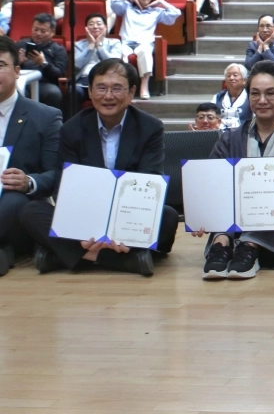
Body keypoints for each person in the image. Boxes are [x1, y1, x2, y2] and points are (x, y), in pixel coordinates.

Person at [22, 59, 177, 276]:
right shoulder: (71, 129)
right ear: (91, 91)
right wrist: (87, 230)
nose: (108, 96)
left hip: (128, 214)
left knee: (167, 216)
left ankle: (61, 255)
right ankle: (118, 259)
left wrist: (118, 229)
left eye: (116, 88)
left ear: (131, 92)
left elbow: (149, 180)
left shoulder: (150, 127)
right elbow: (65, 186)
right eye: (101, 88)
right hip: (84, 215)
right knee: (31, 211)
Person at [196, 61, 274, 280]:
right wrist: (203, 213)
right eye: (255, 94)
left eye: (270, 93)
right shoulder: (231, 137)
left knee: (272, 204)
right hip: (235, 215)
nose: (262, 100)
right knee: (226, 199)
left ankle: (249, 247)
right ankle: (221, 243)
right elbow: (213, 180)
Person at [0, 35, 62, 276]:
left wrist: (29, 182)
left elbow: (55, 174)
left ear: (17, 71)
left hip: (18, 203)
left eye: (0, 65)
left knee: (14, 200)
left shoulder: (46, 116)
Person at [110, 0, 180, 99]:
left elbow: (175, 14)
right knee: (120, 54)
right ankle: (124, 86)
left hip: (144, 43)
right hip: (126, 43)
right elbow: (113, 0)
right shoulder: (127, 8)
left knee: (146, 53)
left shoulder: (156, 11)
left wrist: (161, 2)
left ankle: (144, 86)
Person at [16, 13, 67, 108]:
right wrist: (18, 62)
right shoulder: (21, 44)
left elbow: (59, 75)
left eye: (43, 31)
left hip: (45, 83)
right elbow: (8, 67)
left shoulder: (58, 49)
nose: (38, 33)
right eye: (35, 29)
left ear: (52, 32)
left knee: (53, 93)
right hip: (22, 81)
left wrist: (43, 64)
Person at [73, 12, 126, 103]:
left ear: (105, 27)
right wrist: (90, 46)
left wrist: (99, 46)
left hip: (107, 81)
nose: (95, 27)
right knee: (74, 91)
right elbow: (77, 65)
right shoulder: (78, 45)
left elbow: (114, 64)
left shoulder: (114, 43)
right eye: (91, 24)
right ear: (86, 28)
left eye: (99, 24)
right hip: (82, 81)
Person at [213, 63, 250, 131]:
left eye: (235, 75)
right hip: (220, 135)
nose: (231, 78)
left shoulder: (251, 97)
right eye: (228, 75)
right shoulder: (217, 97)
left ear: (244, 80)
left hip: (243, 135)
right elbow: (211, 117)